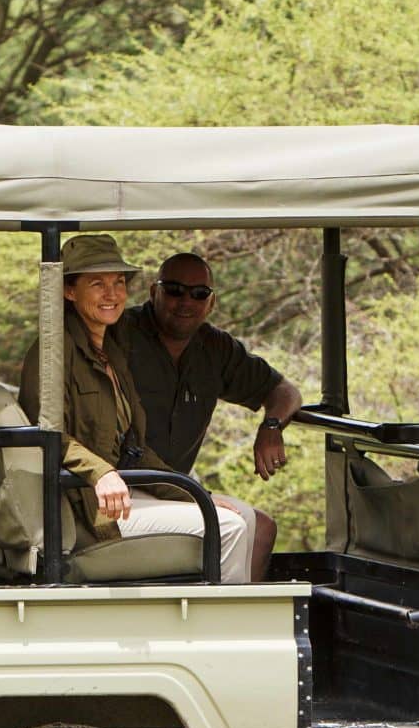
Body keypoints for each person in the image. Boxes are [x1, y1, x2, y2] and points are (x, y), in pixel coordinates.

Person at [20, 235, 251, 584]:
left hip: (119, 491)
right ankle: (225, 618)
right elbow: (48, 435)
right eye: (97, 284)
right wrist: (100, 472)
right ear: (69, 291)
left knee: (242, 513)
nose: (112, 294)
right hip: (85, 506)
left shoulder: (111, 350)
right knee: (230, 527)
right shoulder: (55, 352)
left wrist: (193, 494)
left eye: (118, 282)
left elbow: (135, 446)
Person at [115, 252, 301, 581]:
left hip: (174, 488)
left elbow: (285, 391)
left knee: (261, 528)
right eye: (174, 290)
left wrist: (271, 426)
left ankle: (236, 612)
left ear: (211, 302)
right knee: (231, 523)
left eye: (199, 294)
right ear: (153, 292)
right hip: (121, 485)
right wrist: (193, 495)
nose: (186, 301)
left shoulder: (215, 348)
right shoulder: (120, 335)